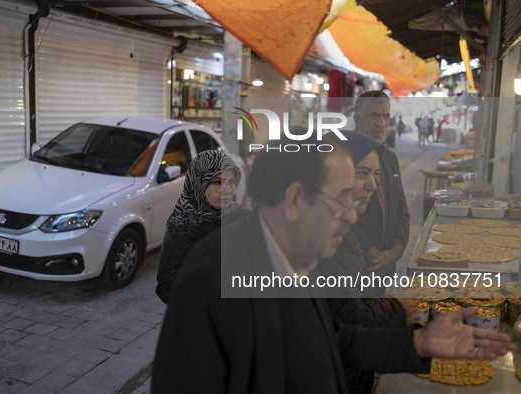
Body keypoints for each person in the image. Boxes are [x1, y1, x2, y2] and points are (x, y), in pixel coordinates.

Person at [151, 135, 515, 394]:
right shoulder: (211, 283)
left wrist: (416, 344)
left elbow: (328, 339)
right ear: (295, 199)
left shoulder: (291, 259)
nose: (352, 218)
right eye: (342, 199)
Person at [323, 131, 418, 393]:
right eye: (362, 173)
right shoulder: (331, 240)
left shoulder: (345, 230)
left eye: (374, 175)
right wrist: (395, 309)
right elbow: (349, 319)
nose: (372, 187)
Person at [155, 150, 241, 304]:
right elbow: (166, 286)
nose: (229, 190)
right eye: (218, 182)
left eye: (232, 181)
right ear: (198, 185)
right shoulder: (181, 226)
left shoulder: (238, 215)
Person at [353, 91, 410, 294]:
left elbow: (402, 210)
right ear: (357, 119)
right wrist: (371, 251)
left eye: (385, 116)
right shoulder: (341, 157)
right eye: (374, 115)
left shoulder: (389, 159)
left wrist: (396, 250)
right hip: (355, 264)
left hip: (385, 266)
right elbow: (336, 211)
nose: (381, 123)